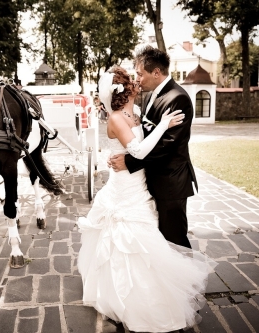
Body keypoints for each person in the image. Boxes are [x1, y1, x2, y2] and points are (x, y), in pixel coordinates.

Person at [77, 66, 215, 333]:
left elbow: (148, 143)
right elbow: (138, 150)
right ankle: (128, 298)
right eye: (132, 79)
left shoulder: (137, 113)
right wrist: (164, 124)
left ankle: (161, 289)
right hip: (124, 187)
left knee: (151, 238)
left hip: (139, 185)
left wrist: (158, 130)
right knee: (129, 239)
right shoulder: (116, 118)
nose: (137, 81)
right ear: (125, 89)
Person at [109, 45, 198, 249]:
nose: (137, 79)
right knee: (159, 241)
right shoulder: (151, 95)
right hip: (150, 181)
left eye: (140, 74)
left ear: (156, 72)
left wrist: (128, 161)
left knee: (174, 239)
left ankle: (184, 281)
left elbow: (167, 145)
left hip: (170, 182)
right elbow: (144, 135)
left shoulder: (178, 98)